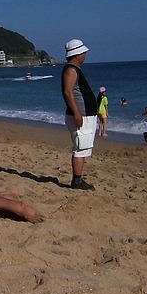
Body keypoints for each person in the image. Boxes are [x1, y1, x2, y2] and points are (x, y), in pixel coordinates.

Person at [61, 39, 98, 191]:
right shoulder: (71, 70)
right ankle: (77, 180)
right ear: (77, 54)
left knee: (83, 146)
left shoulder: (74, 69)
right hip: (81, 114)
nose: (85, 55)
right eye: (83, 52)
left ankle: (78, 178)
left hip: (84, 114)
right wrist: (77, 113)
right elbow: (68, 91)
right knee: (81, 147)